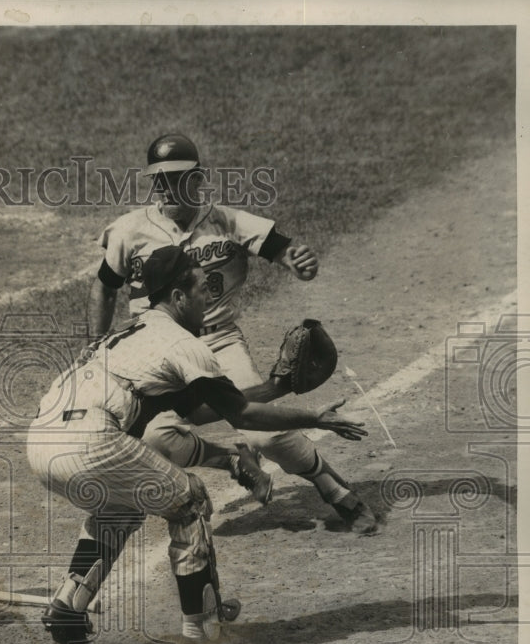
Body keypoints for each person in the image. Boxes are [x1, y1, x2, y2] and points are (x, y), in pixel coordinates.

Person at [27, 245, 368, 644]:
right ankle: (203, 630)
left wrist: (277, 386)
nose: (209, 299)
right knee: (189, 500)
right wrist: (314, 418)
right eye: (203, 290)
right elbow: (241, 416)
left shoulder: (126, 333)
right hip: (92, 443)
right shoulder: (183, 344)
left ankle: (68, 607)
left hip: (42, 441)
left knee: (121, 506)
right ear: (178, 297)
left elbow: (203, 410)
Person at [87, 133, 379, 534]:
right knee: (154, 437)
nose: (166, 187)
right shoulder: (128, 230)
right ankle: (233, 460)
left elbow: (284, 249)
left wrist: (299, 263)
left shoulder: (228, 221)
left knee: (266, 435)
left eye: (177, 177)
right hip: (154, 350)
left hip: (217, 340)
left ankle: (334, 489)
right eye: (158, 179)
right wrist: (97, 343)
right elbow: (105, 285)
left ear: (198, 178)